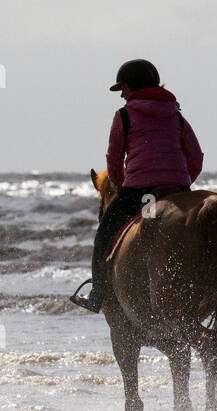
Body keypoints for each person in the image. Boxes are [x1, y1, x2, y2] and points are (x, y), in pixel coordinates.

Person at [70, 59, 204, 313]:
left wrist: (122, 188)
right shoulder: (176, 116)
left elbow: (113, 159)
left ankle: (98, 294)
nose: (122, 95)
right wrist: (182, 183)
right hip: (177, 191)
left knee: (103, 236)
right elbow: (195, 157)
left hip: (140, 192)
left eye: (124, 88)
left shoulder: (124, 116)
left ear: (134, 87)